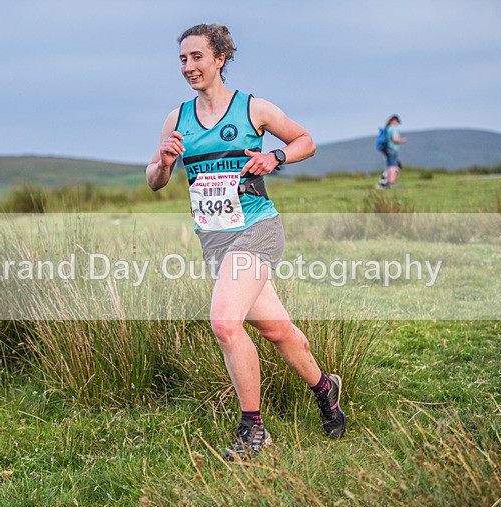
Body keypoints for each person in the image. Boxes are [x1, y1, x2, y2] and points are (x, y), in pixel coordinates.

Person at [146, 23, 347, 459]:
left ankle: (253, 430)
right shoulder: (176, 119)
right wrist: (164, 162)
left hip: (257, 230)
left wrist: (275, 156)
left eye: (197, 57)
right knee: (276, 329)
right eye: (182, 59)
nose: (188, 66)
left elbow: (305, 141)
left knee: (224, 322)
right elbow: (155, 180)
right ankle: (325, 389)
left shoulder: (253, 108)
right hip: (214, 242)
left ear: (220, 59)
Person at [379, 115, 406, 189]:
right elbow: (395, 139)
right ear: (394, 121)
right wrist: (402, 141)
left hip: (387, 149)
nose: (397, 123)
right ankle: (391, 183)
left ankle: (387, 182)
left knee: (389, 166)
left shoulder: (388, 128)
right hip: (392, 149)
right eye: (397, 122)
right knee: (394, 166)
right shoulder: (393, 128)